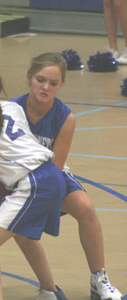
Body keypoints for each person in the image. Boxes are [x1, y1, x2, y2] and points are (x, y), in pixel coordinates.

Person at [11, 52, 123, 300]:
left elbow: (56, 166)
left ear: (61, 85)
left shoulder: (65, 117)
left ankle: (99, 279)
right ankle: (48, 288)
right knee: (15, 228)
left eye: (53, 83)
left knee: (86, 208)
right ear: (30, 77)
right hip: (14, 180)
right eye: (40, 79)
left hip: (49, 177)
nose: (45, 87)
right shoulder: (11, 110)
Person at [0, 67, 67, 300]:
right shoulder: (15, 107)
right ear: (0, 90)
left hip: (32, 183)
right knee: (22, 234)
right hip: (53, 176)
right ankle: (51, 292)